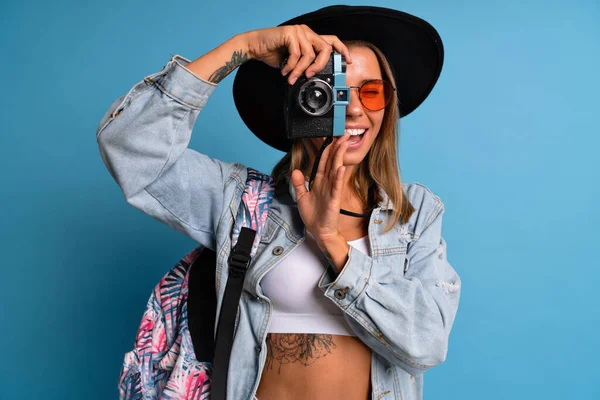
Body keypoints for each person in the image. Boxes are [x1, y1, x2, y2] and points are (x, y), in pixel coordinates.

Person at [97, 5, 461, 400]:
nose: (354, 109)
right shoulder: (243, 202)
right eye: (331, 92)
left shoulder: (415, 214)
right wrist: (243, 47)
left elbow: (426, 344)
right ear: (299, 104)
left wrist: (331, 242)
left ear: (388, 108)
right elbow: (130, 147)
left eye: (370, 92)